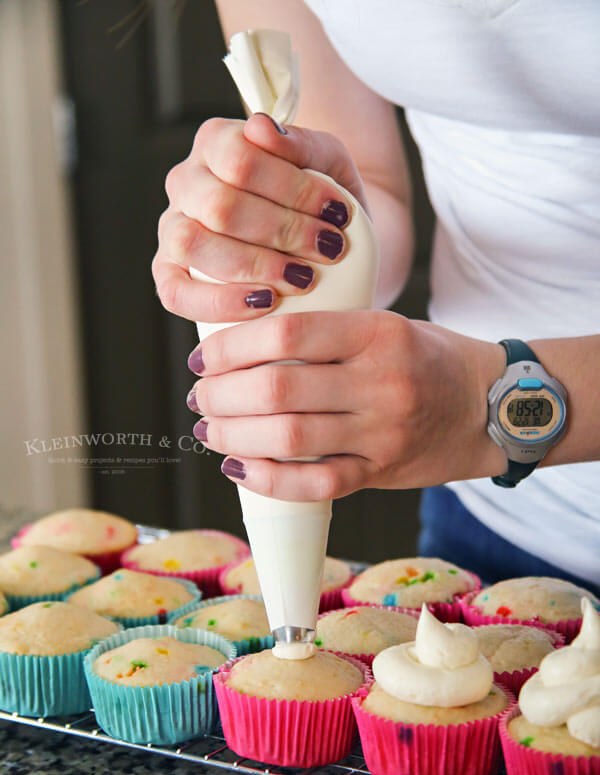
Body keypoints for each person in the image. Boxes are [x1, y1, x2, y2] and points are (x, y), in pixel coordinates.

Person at [152, 0, 600, 592]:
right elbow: (368, 189)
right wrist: (299, 235)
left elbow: (476, 409)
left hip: (477, 434)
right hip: (492, 517)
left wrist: (489, 405)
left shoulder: (474, 413)